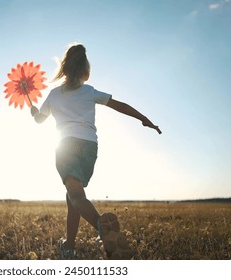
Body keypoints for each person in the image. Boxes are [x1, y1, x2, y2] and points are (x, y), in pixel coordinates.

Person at [30, 44, 161, 259]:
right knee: (73, 196)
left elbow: (39, 120)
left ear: (64, 70)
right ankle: (69, 247)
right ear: (85, 72)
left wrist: (35, 112)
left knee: (76, 196)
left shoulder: (54, 95)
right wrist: (144, 119)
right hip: (89, 148)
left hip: (66, 146)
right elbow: (120, 105)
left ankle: (103, 227)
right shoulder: (90, 91)